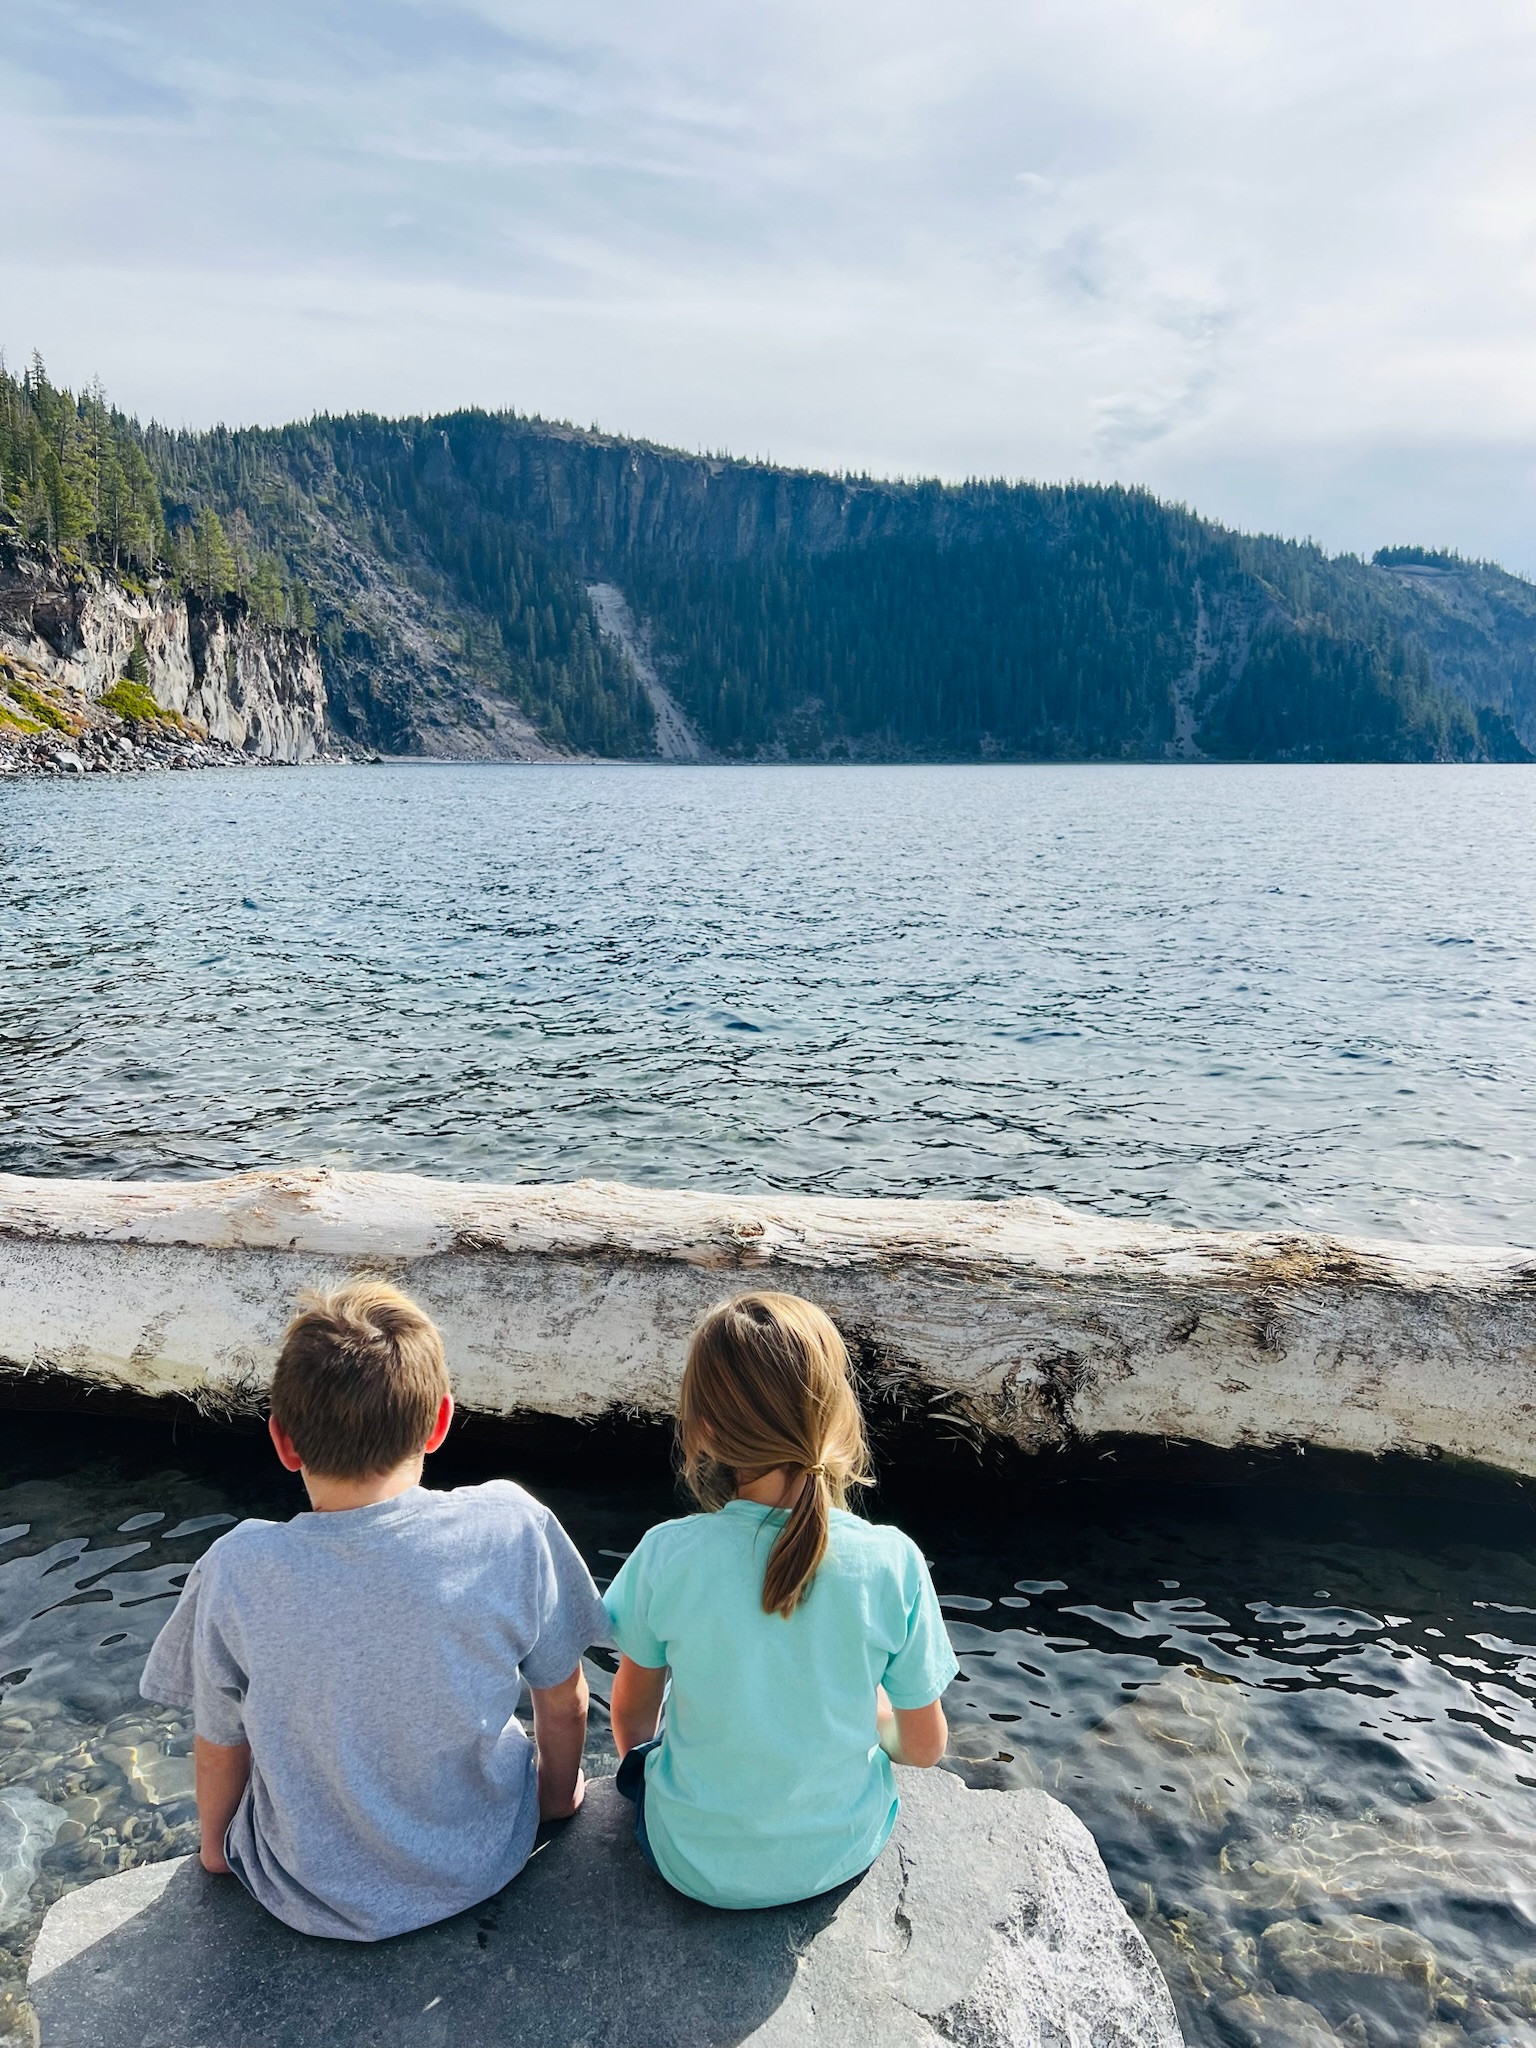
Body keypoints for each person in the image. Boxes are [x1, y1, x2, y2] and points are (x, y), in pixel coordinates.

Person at [140, 1280, 607, 1941]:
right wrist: (556, 1802)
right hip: (482, 1861)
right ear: (442, 1421)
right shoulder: (512, 1526)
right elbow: (564, 1698)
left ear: (282, 1441)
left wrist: (216, 1851)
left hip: (305, 1888)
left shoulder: (236, 1568)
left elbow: (221, 1744)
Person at [604, 1290, 957, 1910]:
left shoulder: (666, 1554)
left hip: (690, 1860)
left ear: (704, 1431)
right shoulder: (891, 1560)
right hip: (838, 1854)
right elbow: (924, 1749)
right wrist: (874, 1717)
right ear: (837, 1415)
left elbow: (632, 1723)